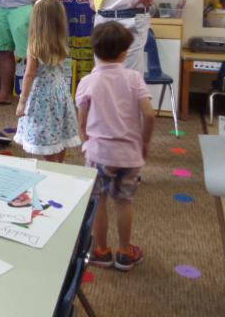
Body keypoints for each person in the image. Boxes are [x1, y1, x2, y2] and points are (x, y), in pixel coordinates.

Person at [76, 21, 155, 272]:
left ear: (95, 50)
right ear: (124, 52)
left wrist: (85, 140)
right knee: (124, 201)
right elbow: (149, 114)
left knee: (98, 201)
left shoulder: (88, 81)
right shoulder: (134, 78)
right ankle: (124, 252)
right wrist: (144, 141)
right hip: (129, 155)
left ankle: (101, 251)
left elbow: (82, 118)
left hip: (99, 154)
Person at [14, 0, 81, 162]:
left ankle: (52, 164)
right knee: (60, 129)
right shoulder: (61, 42)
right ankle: (59, 163)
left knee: (44, 131)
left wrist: (22, 101)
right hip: (60, 92)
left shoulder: (34, 46)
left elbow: (29, 74)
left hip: (41, 96)